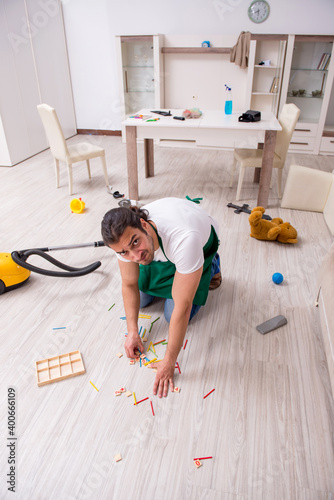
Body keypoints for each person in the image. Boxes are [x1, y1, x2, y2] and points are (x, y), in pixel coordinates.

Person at [101, 197, 221, 398]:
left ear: (144, 225)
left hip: (197, 242)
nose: (135, 256)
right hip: (164, 249)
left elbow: (183, 307)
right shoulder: (123, 241)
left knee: (170, 313)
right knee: (142, 299)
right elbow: (129, 284)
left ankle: (212, 265)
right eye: (124, 252)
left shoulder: (185, 239)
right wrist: (132, 332)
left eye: (135, 242)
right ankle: (178, 268)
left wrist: (169, 360)